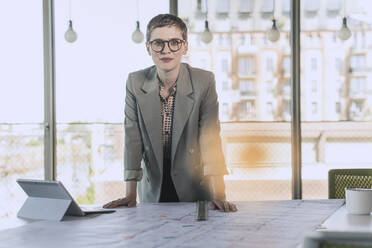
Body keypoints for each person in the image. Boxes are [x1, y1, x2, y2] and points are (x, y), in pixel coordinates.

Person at [103, 14, 237, 212]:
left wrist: (219, 194)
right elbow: (133, 138)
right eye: (158, 43)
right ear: (148, 48)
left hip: (195, 187)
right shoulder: (135, 82)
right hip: (153, 186)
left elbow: (210, 139)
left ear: (185, 47)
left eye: (174, 42)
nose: (166, 50)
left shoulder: (204, 81)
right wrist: (130, 195)